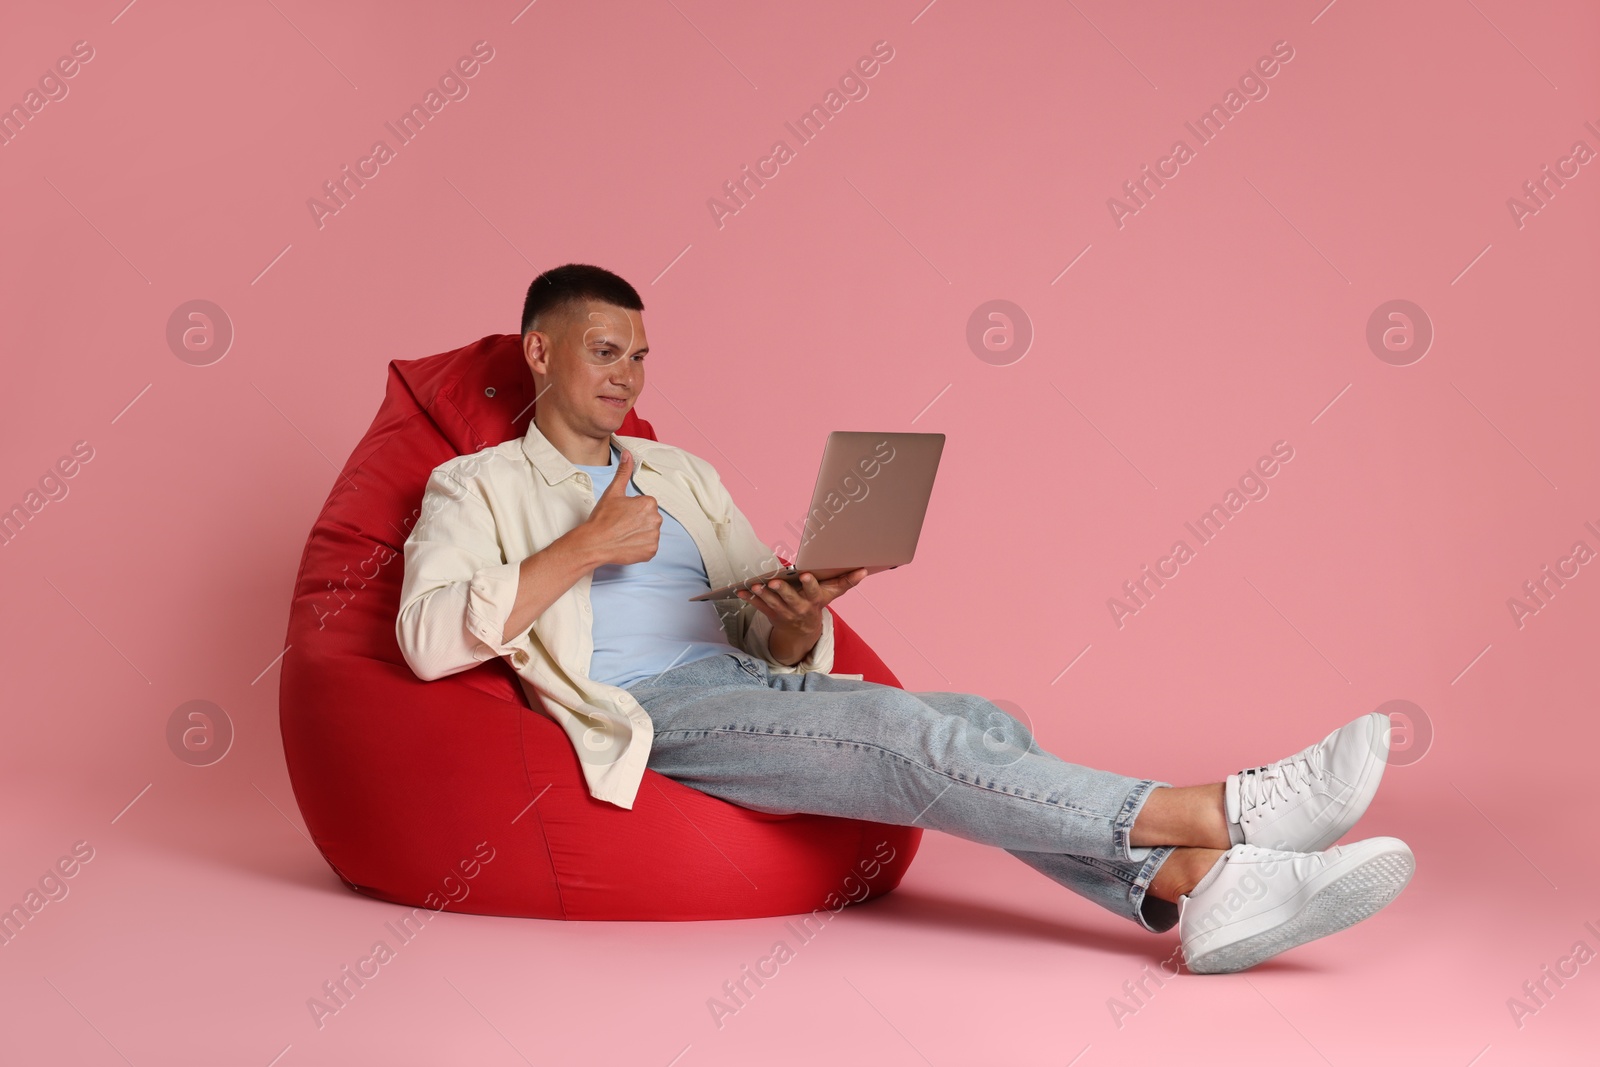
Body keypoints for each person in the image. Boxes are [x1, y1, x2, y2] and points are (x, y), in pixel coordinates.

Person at [395, 263, 1414, 974]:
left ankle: (1199, 884)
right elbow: (426, 637)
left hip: (752, 685)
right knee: (902, 729)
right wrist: (579, 547)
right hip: (653, 709)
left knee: (981, 720)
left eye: (641, 355)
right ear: (538, 349)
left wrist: (799, 615)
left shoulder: (678, 471)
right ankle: (1221, 810)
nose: (626, 375)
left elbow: (763, 626)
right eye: (605, 350)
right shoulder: (472, 487)